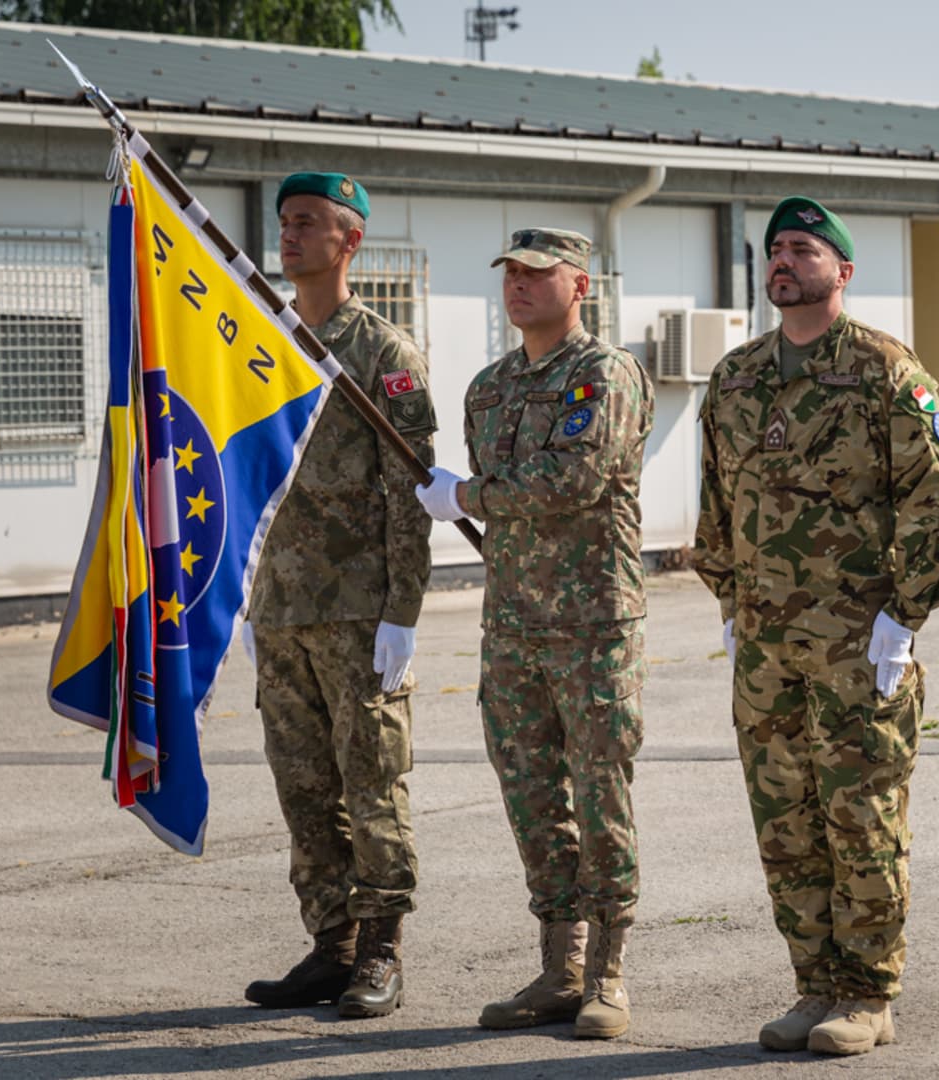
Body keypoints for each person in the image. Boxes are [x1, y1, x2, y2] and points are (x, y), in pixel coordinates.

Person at [693, 196, 939, 1057]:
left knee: (862, 818)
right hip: (767, 647)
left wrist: (905, 615)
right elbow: (714, 501)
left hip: (859, 641)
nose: (784, 261)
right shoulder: (735, 377)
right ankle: (813, 985)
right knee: (786, 820)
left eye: (804, 249)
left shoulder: (888, 371)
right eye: (775, 249)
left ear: (843, 271)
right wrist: (730, 601)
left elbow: (937, 497)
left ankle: (868, 993)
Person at [415, 227, 654, 1040]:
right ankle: (560, 966)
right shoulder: (487, 389)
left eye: (538, 273)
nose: (519, 285)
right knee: (531, 795)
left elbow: (575, 479)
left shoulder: (604, 373)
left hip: (592, 625)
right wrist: (474, 497)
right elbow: (516, 499)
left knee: (600, 794)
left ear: (579, 286)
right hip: (513, 622)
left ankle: (609, 973)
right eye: (511, 273)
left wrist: (471, 495)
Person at [242, 172, 437, 1019]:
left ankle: (382, 951)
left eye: (309, 223)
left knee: (374, 781)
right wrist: (244, 597)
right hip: (279, 606)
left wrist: (403, 610)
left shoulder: (380, 352)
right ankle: (332, 944)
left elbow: (410, 489)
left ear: (348, 241)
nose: (289, 236)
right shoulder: (260, 340)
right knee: (303, 786)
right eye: (285, 222)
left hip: (358, 609)